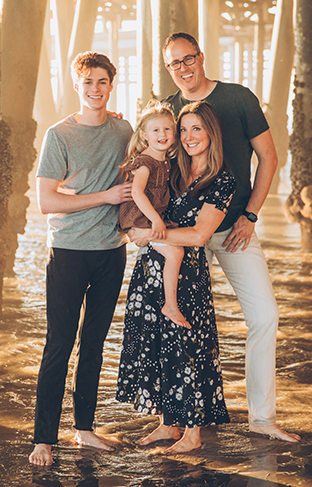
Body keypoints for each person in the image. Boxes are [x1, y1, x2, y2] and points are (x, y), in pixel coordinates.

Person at [160, 32, 301, 443]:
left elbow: (269, 157)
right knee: (183, 323)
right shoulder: (169, 108)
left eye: (188, 59)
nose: (183, 68)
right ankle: (182, 418)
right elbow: (149, 151)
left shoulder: (238, 98)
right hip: (186, 234)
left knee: (264, 316)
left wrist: (251, 215)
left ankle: (261, 417)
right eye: (174, 63)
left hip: (235, 229)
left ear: (201, 58)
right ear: (168, 68)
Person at [29, 52, 133, 466]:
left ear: (112, 84)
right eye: (88, 82)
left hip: (112, 251)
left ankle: (84, 429)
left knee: (94, 345)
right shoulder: (59, 135)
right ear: (77, 85)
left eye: (102, 82)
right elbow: (45, 201)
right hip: (69, 251)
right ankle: (43, 439)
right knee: (59, 345)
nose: (95, 89)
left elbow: (156, 149)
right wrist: (105, 197)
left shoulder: (124, 129)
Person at [117, 101, 234, 453]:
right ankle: (168, 424)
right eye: (183, 129)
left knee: (187, 350)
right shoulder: (174, 170)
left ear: (211, 133)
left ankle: (193, 434)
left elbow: (199, 235)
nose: (187, 136)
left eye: (196, 129)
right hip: (153, 269)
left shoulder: (222, 179)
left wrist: (149, 235)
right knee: (157, 347)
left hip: (187, 277)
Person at [118, 101, 189, 329]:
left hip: (151, 215)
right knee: (176, 252)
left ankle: (167, 302)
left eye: (167, 129)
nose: (162, 134)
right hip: (140, 217)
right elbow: (137, 192)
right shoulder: (145, 162)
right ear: (144, 135)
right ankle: (170, 305)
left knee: (176, 249)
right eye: (156, 130)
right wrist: (156, 220)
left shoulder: (165, 159)